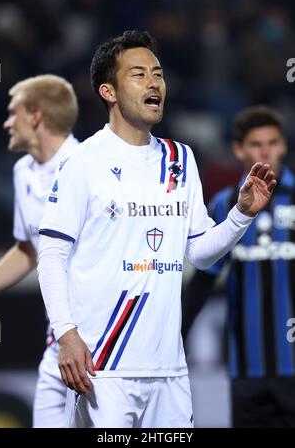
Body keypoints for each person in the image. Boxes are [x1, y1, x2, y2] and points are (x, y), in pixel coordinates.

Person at [37, 30, 276, 429]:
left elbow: (198, 251)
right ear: (108, 91)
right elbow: (52, 254)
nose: (154, 83)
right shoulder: (83, 162)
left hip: (169, 370)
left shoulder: (179, 158)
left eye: (158, 74)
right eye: (139, 74)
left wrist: (240, 214)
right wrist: (67, 335)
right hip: (103, 367)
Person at [183, 105, 295, 427]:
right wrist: (176, 336)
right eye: (256, 144)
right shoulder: (223, 204)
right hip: (246, 367)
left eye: (272, 142)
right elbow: (204, 279)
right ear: (238, 150)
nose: (266, 151)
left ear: (283, 145)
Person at [0, 75, 79, 427]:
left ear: (36, 117)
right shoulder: (22, 171)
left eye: (13, 113)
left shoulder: (90, 166)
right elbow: (28, 250)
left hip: (104, 337)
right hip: (58, 339)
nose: (6, 122)